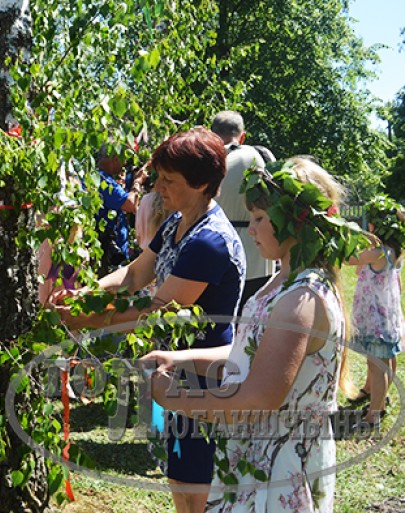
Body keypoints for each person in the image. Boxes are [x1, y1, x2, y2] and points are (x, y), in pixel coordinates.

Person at [143, 157, 367, 512]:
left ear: (297, 222)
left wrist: (173, 398)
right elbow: (250, 354)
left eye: (260, 219)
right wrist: (180, 358)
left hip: (279, 462)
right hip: (253, 454)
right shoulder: (282, 281)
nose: (250, 230)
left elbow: (258, 397)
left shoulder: (302, 298)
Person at [54, 128, 246, 513]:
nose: (158, 187)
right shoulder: (178, 223)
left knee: (200, 481)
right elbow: (134, 274)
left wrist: (86, 320)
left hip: (204, 373)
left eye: (169, 180)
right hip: (177, 369)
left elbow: (159, 311)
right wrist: (86, 294)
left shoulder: (209, 240)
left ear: (202, 183)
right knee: (180, 474)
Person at [347, 195, 405, 430]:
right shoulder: (393, 251)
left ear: (375, 227)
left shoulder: (377, 253)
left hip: (375, 319)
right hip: (388, 317)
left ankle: (374, 414)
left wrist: (354, 237)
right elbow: (398, 285)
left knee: (377, 365)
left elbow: (348, 260)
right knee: (386, 360)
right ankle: (376, 395)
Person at [211, 111, 274, 312]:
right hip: (258, 254)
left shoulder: (207, 162)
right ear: (243, 135)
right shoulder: (259, 157)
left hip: (217, 252)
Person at [93, 144, 147, 275]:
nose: (124, 164)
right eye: (124, 159)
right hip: (108, 256)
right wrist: (137, 182)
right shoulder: (103, 180)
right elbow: (130, 204)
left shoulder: (97, 177)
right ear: (115, 158)